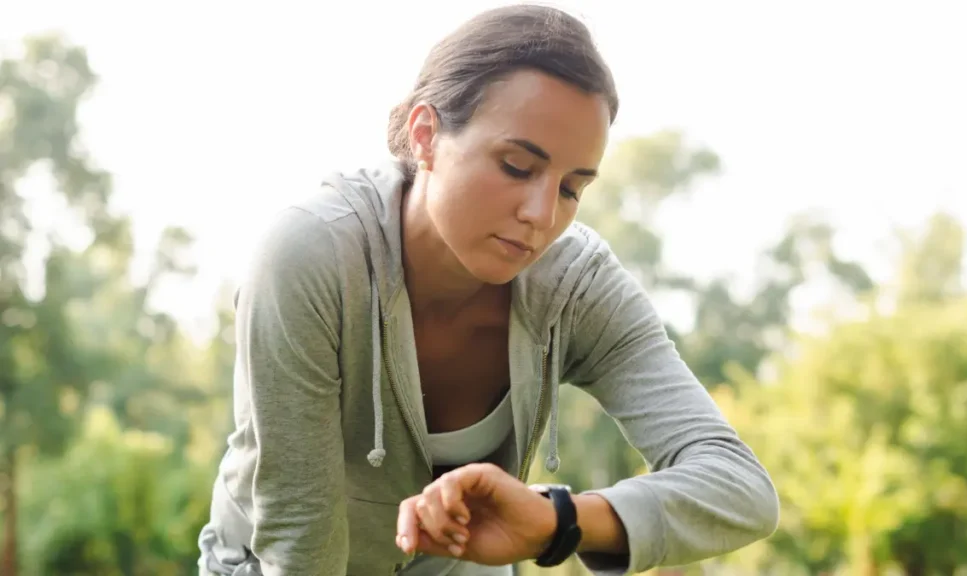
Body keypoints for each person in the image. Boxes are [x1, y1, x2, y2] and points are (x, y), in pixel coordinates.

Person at [197, 4, 779, 575]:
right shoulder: (312, 255)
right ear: (425, 134)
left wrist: (560, 521)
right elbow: (300, 546)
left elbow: (738, 487)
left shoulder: (577, 290)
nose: (541, 214)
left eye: (572, 188)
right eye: (517, 166)